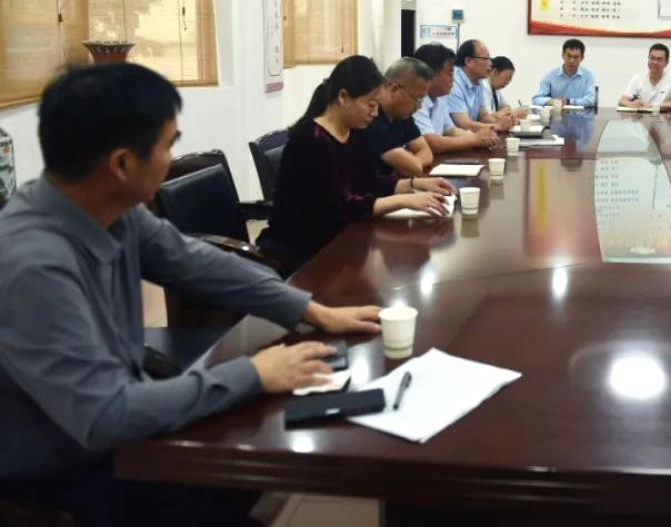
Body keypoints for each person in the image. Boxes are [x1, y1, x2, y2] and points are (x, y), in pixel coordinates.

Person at [0, 63, 385, 527]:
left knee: (259, 454)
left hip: (118, 418)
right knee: (241, 469)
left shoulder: (110, 208)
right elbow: (105, 416)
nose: (170, 159)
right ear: (121, 164)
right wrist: (253, 373)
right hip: (63, 465)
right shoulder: (33, 264)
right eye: (168, 145)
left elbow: (196, 262)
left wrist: (309, 308)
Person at [258, 55, 449, 270]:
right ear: (343, 97)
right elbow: (341, 207)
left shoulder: (354, 133)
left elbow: (372, 182)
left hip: (341, 238)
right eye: (370, 104)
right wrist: (405, 201)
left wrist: (415, 184)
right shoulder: (312, 139)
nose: (375, 113)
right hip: (305, 250)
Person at [361, 58, 455, 198]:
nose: (419, 106)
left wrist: (409, 164)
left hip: (389, 189)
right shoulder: (372, 118)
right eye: (418, 98)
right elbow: (414, 167)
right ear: (394, 89)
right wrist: (410, 164)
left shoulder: (401, 114)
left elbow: (425, 151)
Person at [413, 43, 500, 154]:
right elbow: (433, 143)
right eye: (450, 74)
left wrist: (480, 138)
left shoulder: (440, 97)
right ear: (431, 74)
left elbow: (451, 131)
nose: (453, 79)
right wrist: (475, 140)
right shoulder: (415, 100)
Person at [447, 39, 514, 133]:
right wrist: (497, 126)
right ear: (468, 61)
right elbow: (464, 124)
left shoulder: (479, 80)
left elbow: (483, 116)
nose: (491, 64)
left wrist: (505, 124)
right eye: (486, 58)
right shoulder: (453, 83)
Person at [619, 43, 671, 110]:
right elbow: (622, 101)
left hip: (664, 116)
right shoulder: (637, 78)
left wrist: (653, 106)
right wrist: (631, 104)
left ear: (666, 63)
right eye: (652, 58)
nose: (655, 62)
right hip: (642, 116)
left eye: (659, 59)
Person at [532, 38, 596, 108]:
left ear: (582, 58)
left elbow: (591, 100)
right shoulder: (551, 75)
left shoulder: (588, 76)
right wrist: (551, 101)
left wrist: (568, 101)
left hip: (582, 114)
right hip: (557, 113)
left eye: (576, 57)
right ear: (563, 55)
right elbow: (536, 98)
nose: (571, 60)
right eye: (569, 56)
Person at [480, 56, 528, 121]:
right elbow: (487, 118)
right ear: (495, 72)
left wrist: (502, 114)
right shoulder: (482, 88)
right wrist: (514, 113)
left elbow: (507, 107)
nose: (508, 82)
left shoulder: (496, 89)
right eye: (507, 78)